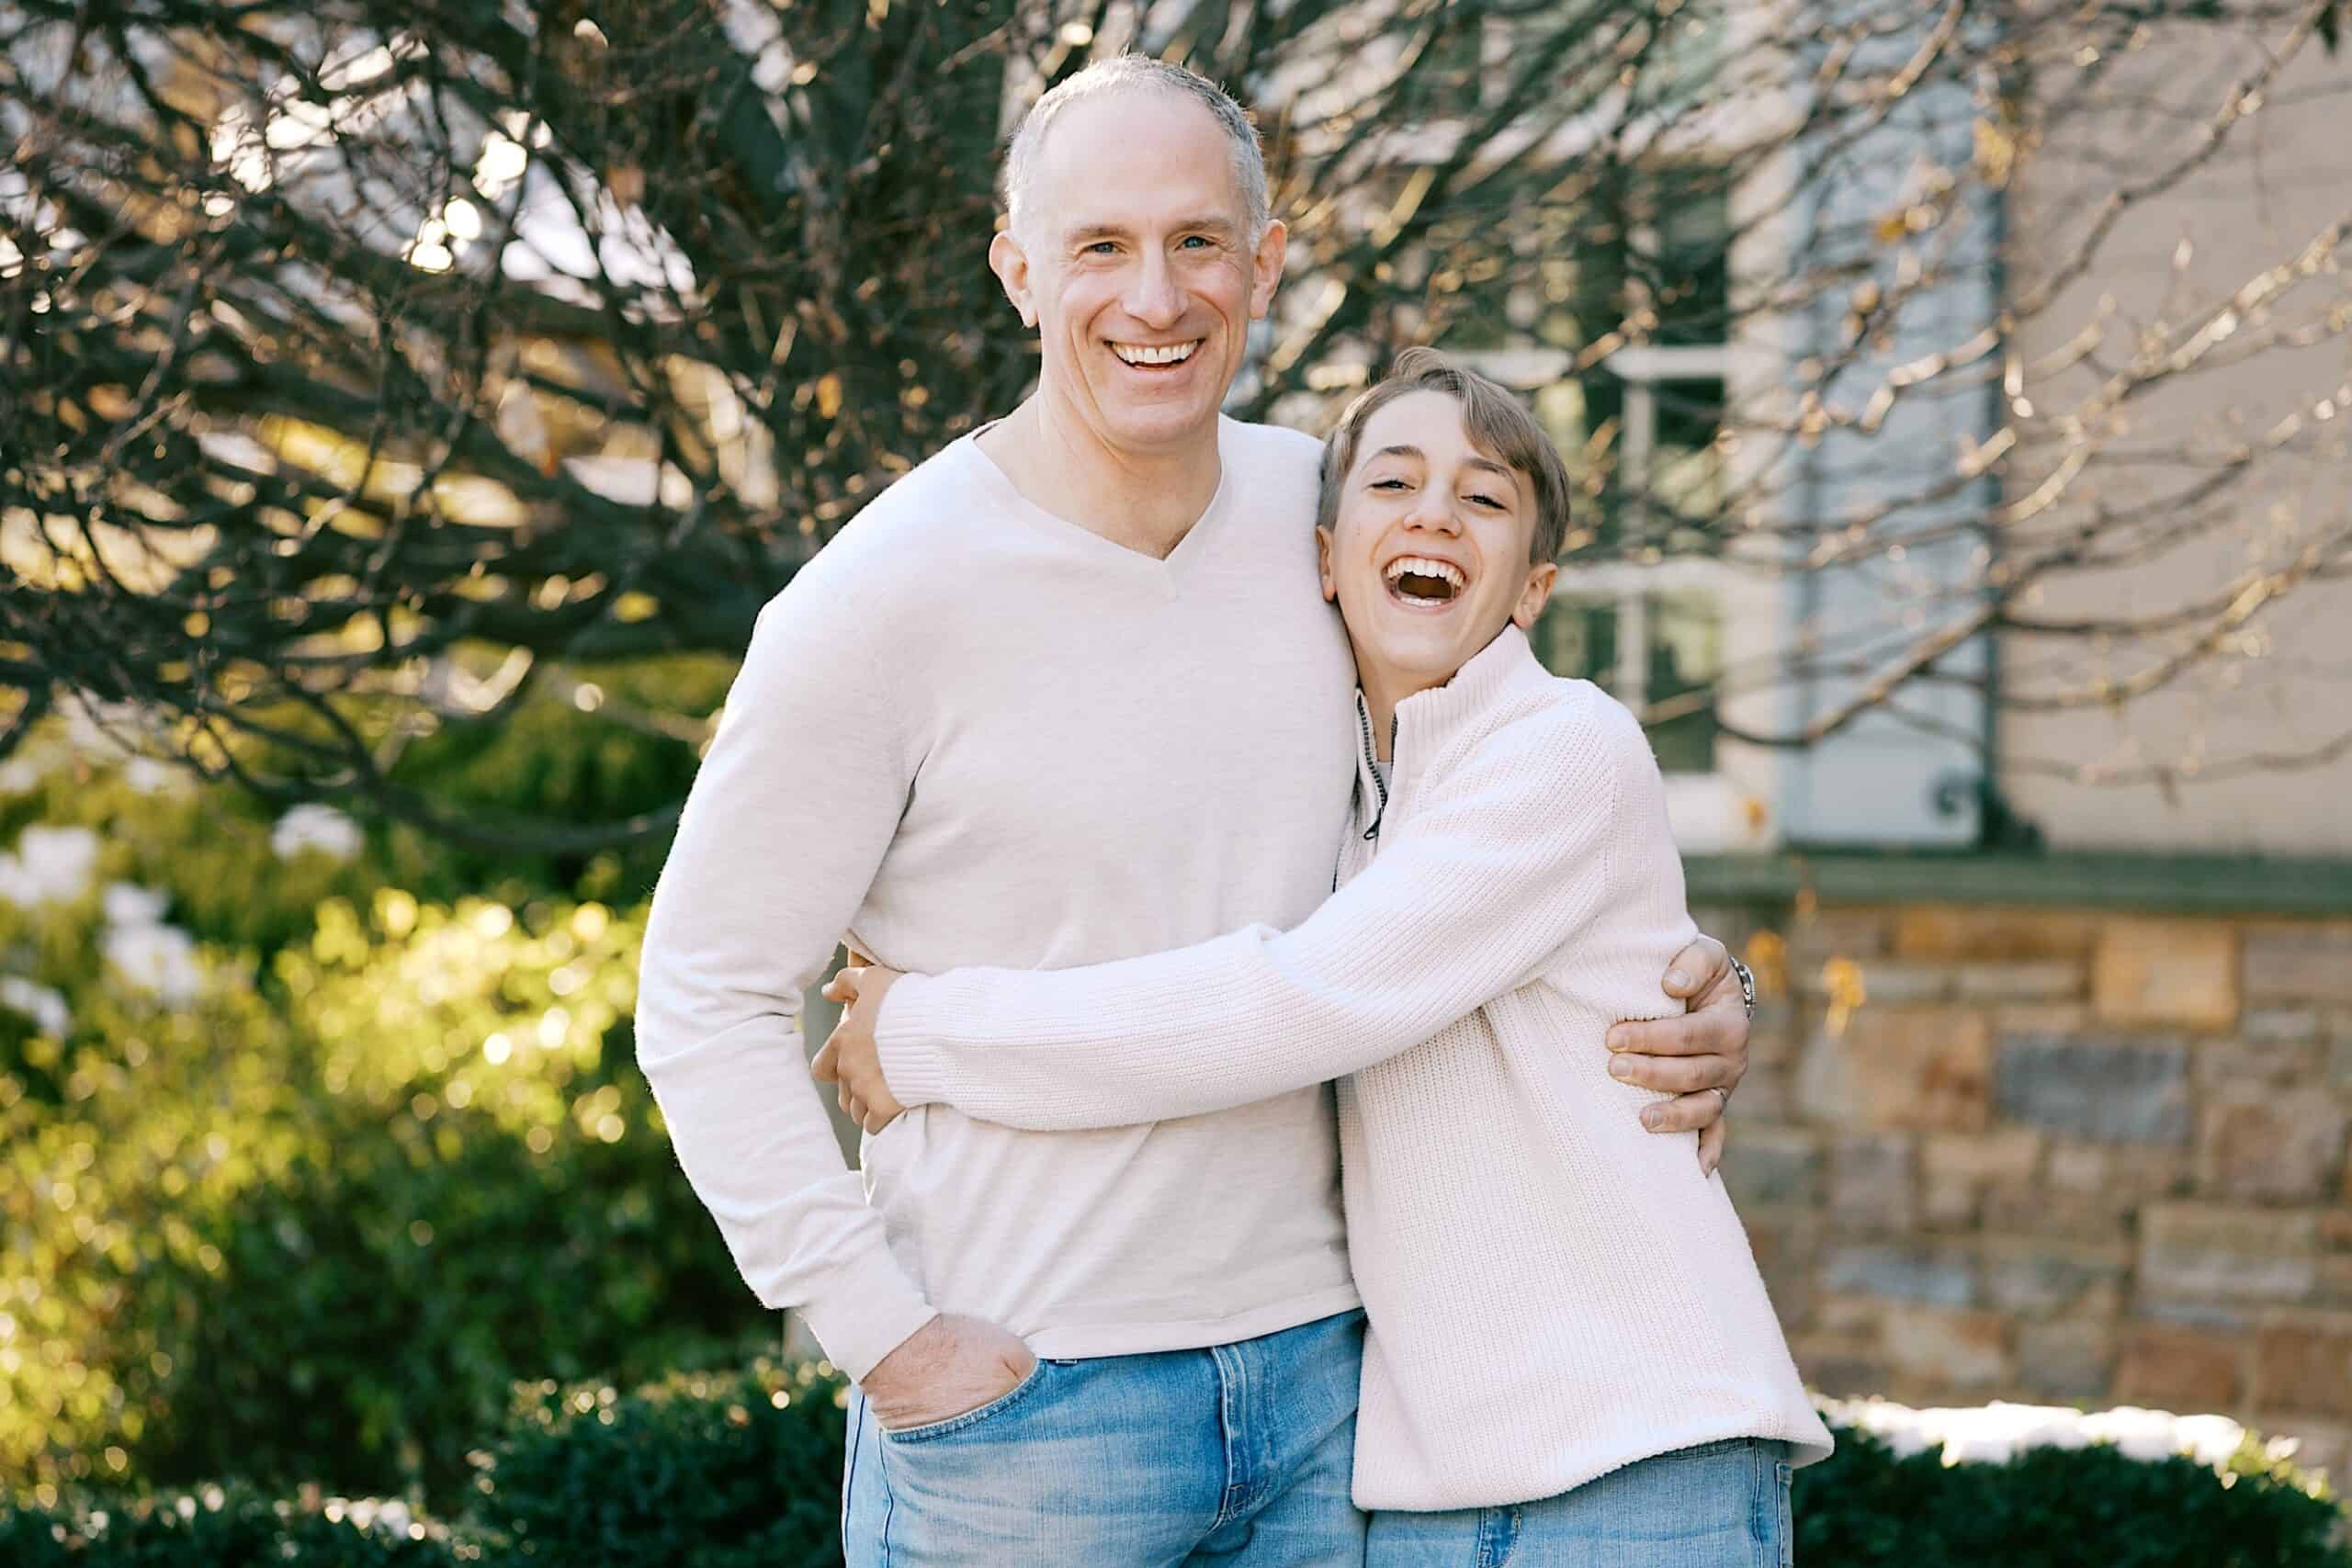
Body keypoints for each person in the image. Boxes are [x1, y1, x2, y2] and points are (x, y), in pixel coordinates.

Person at [633, 55, 1757, 1566]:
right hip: (1027, 1411)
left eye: (1198, 242)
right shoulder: (879, 600)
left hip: (1333, 1399)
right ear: (1018, 271)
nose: (1154, 298)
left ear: (1265, 264)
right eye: (1100, 245)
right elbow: (701, 993)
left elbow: (1502, 787)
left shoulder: (1339, 522)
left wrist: (1691, 984)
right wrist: (879, 1333)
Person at [817, 349, 1834, 1563]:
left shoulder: (1564, 748)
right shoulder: (1352, 792)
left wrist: (921, 1033)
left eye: (1483, 498)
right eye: (1393, 483)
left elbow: (1291, 1004)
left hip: (1637, 1462)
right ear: (1324, 561)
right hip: (1429, 1494)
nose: (1434, 515)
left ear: (1533, 589)